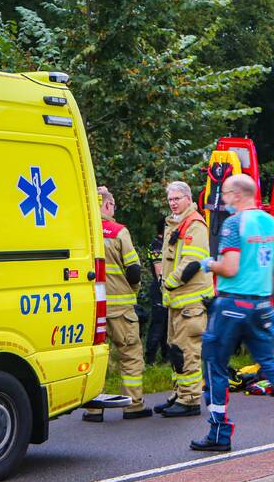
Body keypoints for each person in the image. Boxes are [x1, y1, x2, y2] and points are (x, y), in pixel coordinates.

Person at [181, 174, 274, 451]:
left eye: (226, 194)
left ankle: (218, 432)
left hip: (231, 305)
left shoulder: (234, 223)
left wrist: (208, 264)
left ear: (238, 195)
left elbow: (230, 268)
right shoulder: (273, 224)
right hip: (261, 305)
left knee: (215, 365)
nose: (224, 199)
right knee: (269, 363)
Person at [83, 187, 152, 422]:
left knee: (95, 357)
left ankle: (93, 409)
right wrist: (134, 290)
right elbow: (133, 269)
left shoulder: (84, 231)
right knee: (130, 355)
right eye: (112, 205)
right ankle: (133, 405)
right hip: (121, 309)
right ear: (108, 205)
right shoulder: (118, 231)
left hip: (92, 308)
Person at [156, 181, 213, 418]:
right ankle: (179, 394)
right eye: (170, 199)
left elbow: (191, 263)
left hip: (190, 302)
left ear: (188, 199)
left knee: (188, 351)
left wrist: (168, 283)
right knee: (176, 350)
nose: (173, 203)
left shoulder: (195, 225)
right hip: (177, 301)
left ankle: (189, 400)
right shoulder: (175, 223)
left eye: (177, 198)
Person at [144, 225, 170, 365]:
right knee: (158, 325)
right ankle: (150, 359)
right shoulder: (157, 245)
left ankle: (166, 356)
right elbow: (159, 271)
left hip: (166, 289)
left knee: (166, 325)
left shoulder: (164, 244)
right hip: (160, 288)